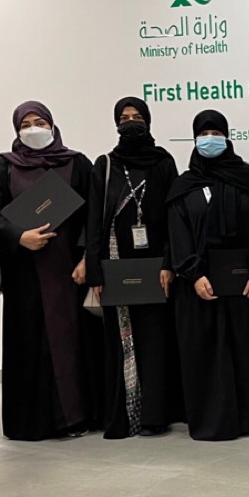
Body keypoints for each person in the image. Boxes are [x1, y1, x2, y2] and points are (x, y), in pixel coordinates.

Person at [0, 101, 102, 440]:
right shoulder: (4, 166)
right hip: (26, 275)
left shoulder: (77, 163)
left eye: (40, 122)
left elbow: (94, 215)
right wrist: (19, 236)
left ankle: (78, 417)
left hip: (71, 272)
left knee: (74, 342)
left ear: (52, 125)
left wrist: (86, 257)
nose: (34, 129)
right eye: (26, 124)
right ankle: (35, 422)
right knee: (32, 345)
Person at [167, 109, 249, 441]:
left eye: (216, 133)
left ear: (227, 137)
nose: (210, 140)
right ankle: (213, 421)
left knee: (245, 349)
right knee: (206, 354)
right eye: (203, 134)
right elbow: (177, 232)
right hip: (201, 287)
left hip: (247, 284)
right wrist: (192, 274)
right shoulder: (184, 185)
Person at [87, 97, 184, 439]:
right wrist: (95, 270)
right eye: (124, 118)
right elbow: (94, 220)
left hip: (156, 266)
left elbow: (174, 217)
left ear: (148, 120)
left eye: (137, 116)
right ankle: (125, 415)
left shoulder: (163, 162)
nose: (131, 122)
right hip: (116, 267)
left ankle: (155, 415)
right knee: (121, 340)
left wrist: (170, 263)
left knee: (156, 339)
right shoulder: (106, 165)